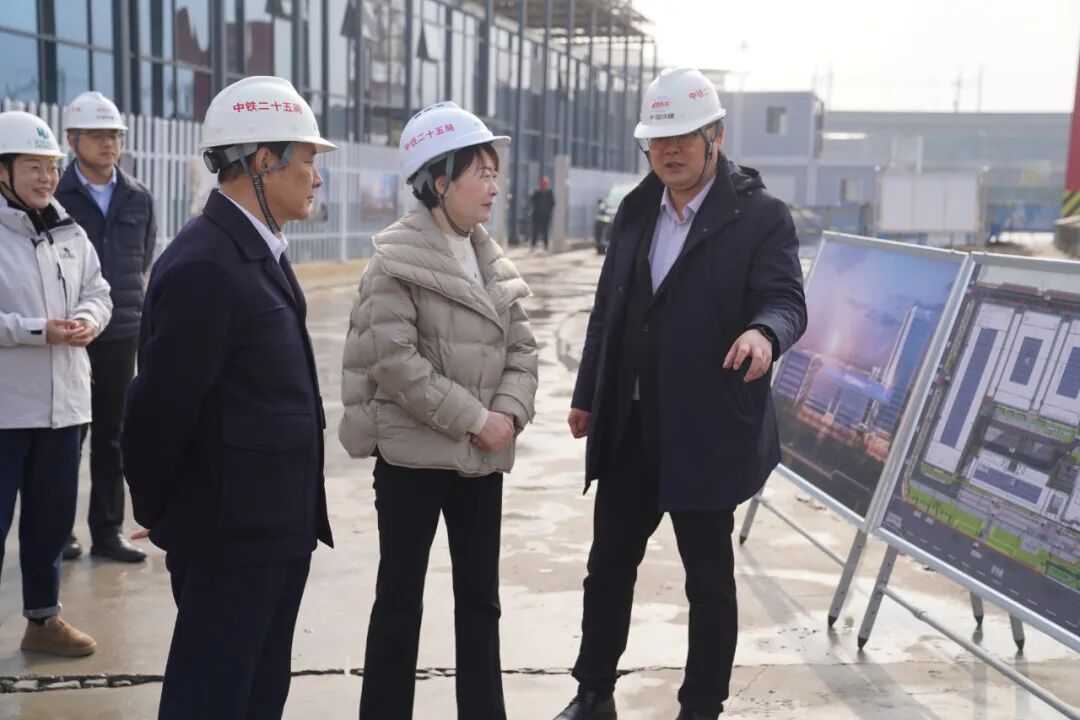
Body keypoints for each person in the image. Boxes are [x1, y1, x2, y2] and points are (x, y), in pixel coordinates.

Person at [552, 68, 808, 720]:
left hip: (705, 428)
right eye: (658, 140)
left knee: (708, 581)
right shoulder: (637, 210)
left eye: (683, 138)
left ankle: (701, 708)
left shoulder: (760, 217)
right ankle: (593, 691)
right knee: (608, 566)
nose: (669, 151)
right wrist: (589, 392)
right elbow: (608, 311)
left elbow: (785, 301)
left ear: (715, 135)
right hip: (631, 423)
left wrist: (763, 334)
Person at [120, 76, 336, 719]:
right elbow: (158, 410)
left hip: (272, 529)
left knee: (258, 695)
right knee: (211, 699)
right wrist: (162, 507)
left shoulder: (255, 250)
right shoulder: (206, 265)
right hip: (229, 537)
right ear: (263, 160)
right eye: (307, 159)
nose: (317, 177)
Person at [340, 101, 539, 720]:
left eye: (495, 173)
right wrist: (478, 420)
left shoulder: (489, 257)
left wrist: (507, 413)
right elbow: (395, 362)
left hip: (481, 462)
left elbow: (523, 350)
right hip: (413, 463)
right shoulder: (393, 260)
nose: (494, 187)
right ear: (439, 181)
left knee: (481, 602)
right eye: (481, 173)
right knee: (399, 602)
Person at [0, 110, 112, 657]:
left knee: (51, 521)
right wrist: (33, 330)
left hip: (64, 408)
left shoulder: (69, 230)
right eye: (33, 167)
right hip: (6, 412)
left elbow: (100, 291)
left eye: (51, 167)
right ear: (2, 171)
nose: (47, 178)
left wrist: (90, 319)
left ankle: (43, 622)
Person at [56, 91, 156, 564]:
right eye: (97, 135)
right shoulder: (55, 197)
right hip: (67, 333)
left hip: (120, 331)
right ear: (72, 140)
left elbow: (144, 257)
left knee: (113, 437)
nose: (108, 144)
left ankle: (108, 532)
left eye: (114, 135)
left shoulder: (138, 196)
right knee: (65, 437)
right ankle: (59, 532)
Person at [529, 175, 556, 251]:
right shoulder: (537, 192)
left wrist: (548, 210)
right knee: (535, 231)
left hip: (545, 216)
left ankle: (546, 245)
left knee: (545, 231)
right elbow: (532, 200)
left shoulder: (549, 193)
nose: (543, 186)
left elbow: (553, 203)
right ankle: (533, 245)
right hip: (537, 215)